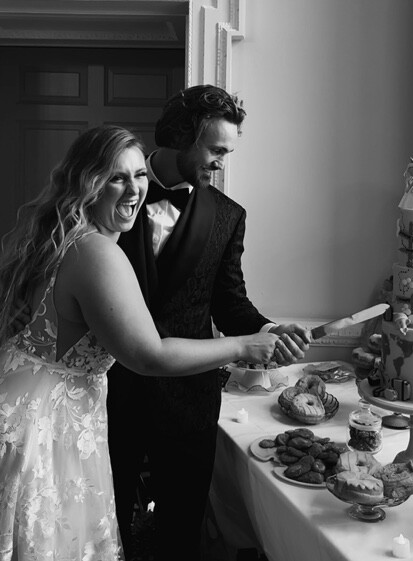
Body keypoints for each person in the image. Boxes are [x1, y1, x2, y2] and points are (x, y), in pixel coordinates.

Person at [0, 125, 279, 560]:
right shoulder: (96, 252)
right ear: (87, 182)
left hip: (34, 399)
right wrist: (243, 347)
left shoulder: (60, 238)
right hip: (45, 422)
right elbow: (149, 355)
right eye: (117, 177)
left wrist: (263, 330)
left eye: (139, 175)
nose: (134, 190)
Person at [106, 85, 312, 560]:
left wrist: (268, 331)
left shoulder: (228, 216)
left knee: (181, 532)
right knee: (104, 519)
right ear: (182, 135)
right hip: (110, 390)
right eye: (216, 150)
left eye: (227, 152)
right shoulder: (110, 194)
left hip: (189, 401)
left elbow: (230, 303)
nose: (221, 162)